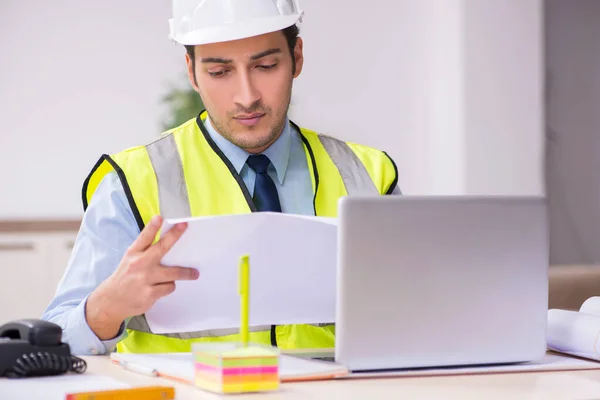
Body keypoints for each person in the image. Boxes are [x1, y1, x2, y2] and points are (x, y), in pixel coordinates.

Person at [42, 0, 401, 355]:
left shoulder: (369, 174)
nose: (247, 97)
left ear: (297, 57)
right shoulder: (132, 182)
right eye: (220, 72)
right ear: (192, 72)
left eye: (266, 65)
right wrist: (107, 308)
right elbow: (54, 340)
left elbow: (411, 315)